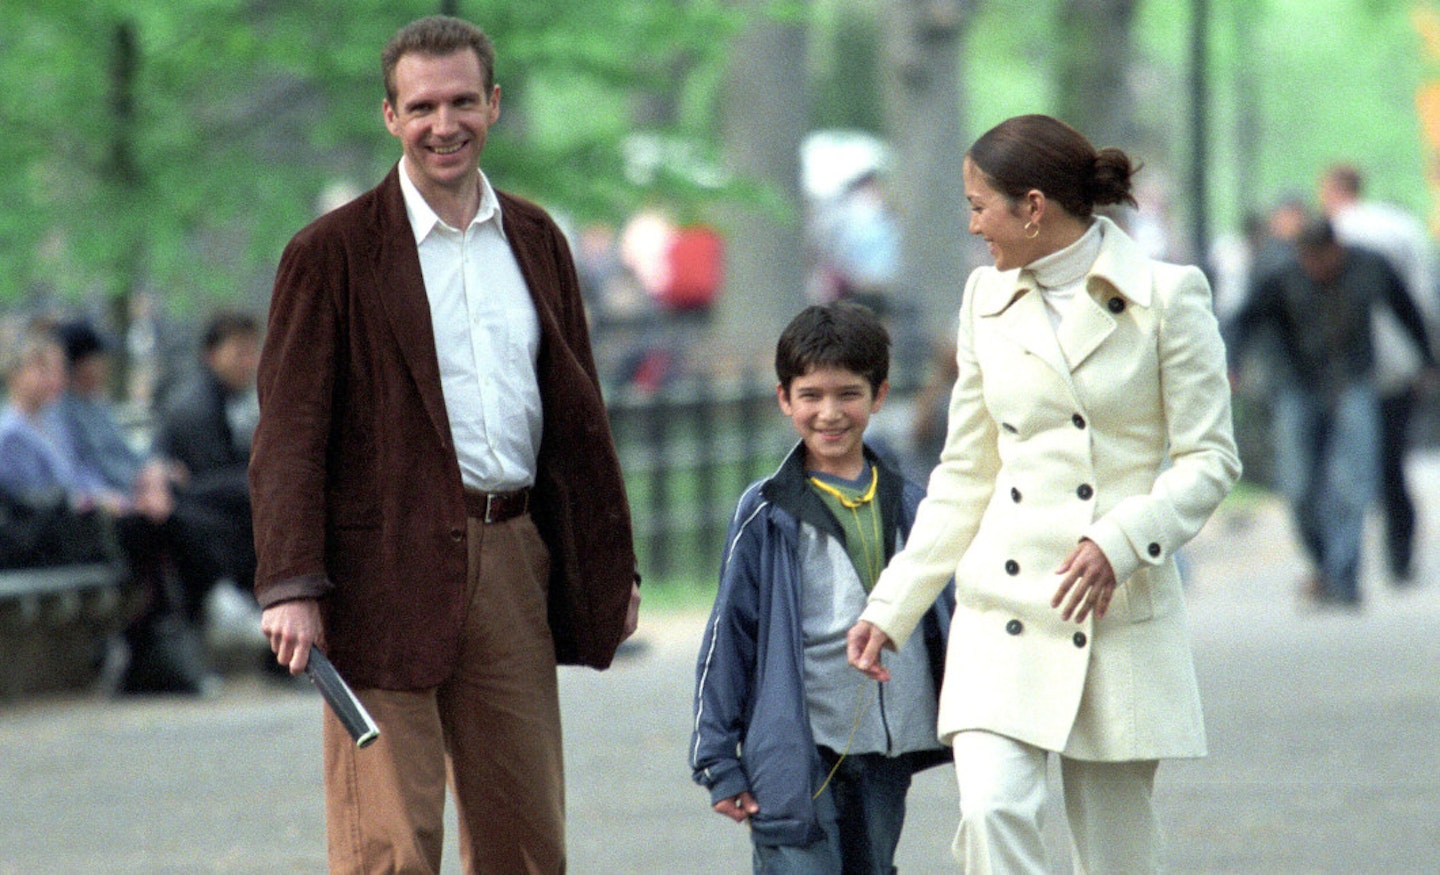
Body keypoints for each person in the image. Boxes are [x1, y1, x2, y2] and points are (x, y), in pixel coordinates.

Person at [248, 15, 640, 874]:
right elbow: (289, 434)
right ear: (390, 116)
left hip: (511, 558)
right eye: (422, 105)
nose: (444, 123)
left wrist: (613, 563)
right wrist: (289, 583)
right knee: (389, 844)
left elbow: (577, 420)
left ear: (493, 105)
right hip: (376, 574)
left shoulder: (537, 241)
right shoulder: (332, 253)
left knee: (528, 840)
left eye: (463, 101)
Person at [845, 114, 1242, 873]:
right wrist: (891, 604)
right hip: (1004, 607)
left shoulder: (1168, 295)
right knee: (991, 809)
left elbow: (1210, 458)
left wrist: (1119, 540)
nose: (971, 225)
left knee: (1115, 851)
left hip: (1115, 609)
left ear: (1032, 206)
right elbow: (964, 475)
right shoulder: (982, 301)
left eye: (979, 205)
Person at [689, 301, 952, 874]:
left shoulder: (916, 505)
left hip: (887, 748)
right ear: (785, 399)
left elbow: (951, 616)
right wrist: (717, 757)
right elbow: (727, 636)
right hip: (794, 750)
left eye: (848, 394)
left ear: (879, 395)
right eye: (811, 395)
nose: (829, 413)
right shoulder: (766, 511)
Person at [1230, 217, 1436, 606]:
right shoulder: (1281, 274)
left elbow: (1405, 309)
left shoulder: (1369, 266)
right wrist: (1233, 363)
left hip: (1353, 380)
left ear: (1336, 250)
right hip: (1297, 384)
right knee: (1299, 485)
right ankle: (1324, 564)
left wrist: (1425, 358)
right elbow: (1245, 320)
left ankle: (1344, 575)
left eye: (1322, 260)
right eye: (1308, 260)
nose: (1316, 269)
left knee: (1354, 482)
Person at [0, 326, 215, 694]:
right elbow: (34, 501)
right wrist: (100, 501)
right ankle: (150, 640)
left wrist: (114, 497)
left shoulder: (52, 424)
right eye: (42, 369)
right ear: (15, 374)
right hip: (47, 538)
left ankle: (152, 638)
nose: (53, 379)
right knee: (151, 529)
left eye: (55, 369)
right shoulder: (12, 432)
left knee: (161, 523)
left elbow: (81, 475)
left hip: (80, 524)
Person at [1320, 163, 1437, 582]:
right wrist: (1425, 356)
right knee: (1393, 462)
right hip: (1401, 360)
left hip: (1351, 363)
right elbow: (1421, 295)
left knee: (1344, 464)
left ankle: (1342, 561)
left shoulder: (1335, 230)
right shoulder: (1403, 226)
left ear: (1332, 190)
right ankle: (1399, 553)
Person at [154, 311, 262, 612]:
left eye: (253, 351)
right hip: (201, 524)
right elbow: (211, 480)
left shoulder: (229, 400)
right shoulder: (195, 409)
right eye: (240, 352)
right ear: (211, 355)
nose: (249, 362)